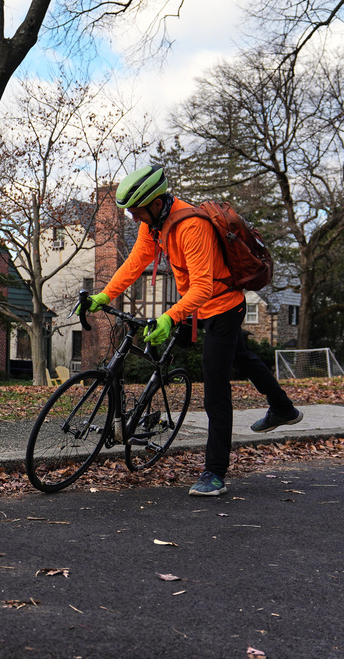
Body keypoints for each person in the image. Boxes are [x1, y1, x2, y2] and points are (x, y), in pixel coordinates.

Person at [87, 165, 302, 496]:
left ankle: (215, 473)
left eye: (136, 211)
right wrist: (104, 294)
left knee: (215, 387)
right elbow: (135, 263)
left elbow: (202, 286)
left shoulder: (191, 227)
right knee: (242, 357)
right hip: (200, 305)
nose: (133, 218)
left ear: (156, 203)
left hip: (224, 306)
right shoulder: (154, 225)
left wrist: (170, 317)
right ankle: (283, 408)